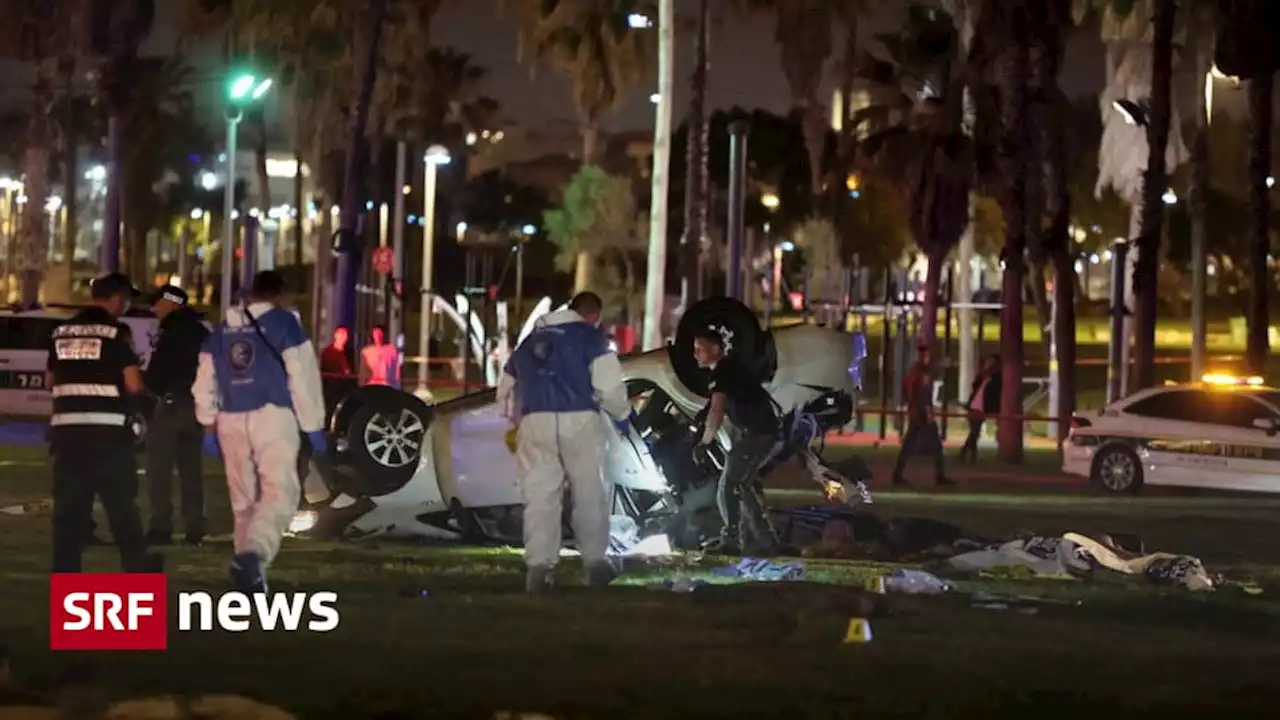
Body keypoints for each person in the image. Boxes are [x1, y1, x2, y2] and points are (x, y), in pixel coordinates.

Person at [192, 270, 326, 593]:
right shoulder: (285, 324)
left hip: (230, 420)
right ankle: (254, 556)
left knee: (243, 502)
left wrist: (207, 423)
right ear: (278, 295)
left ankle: (247, 575)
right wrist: (314, 428)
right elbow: (302, 377)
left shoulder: (223, 330)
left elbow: (204, 381)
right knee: (280, 492)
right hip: (273, 415)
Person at [496, 291, 631, 594]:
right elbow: (609, 386)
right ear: (592, 315)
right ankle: (595, 564)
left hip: (535, 421)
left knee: (540, 496)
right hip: (579, 419)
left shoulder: (530, 341)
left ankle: (539, 570)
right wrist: (622, 415)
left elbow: (505, 386)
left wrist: (514, 420)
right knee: (589, 492)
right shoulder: (591, 339)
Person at [46, 272, 163, 574]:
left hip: (67, 436)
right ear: (117, 298)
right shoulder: (114, 333)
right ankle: (138, 566)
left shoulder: (62, 332)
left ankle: (65, 570)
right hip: (108, 436)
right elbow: (134, 384)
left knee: (69, 511)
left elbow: (50, 381)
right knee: (122, 506)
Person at [691, 327, 782, 556]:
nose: (695, 355)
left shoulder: (723, 372)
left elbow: (717, 410)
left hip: (758, 433)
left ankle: (734, 540)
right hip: (761, 432)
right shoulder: (728, 370)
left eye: (699, 349)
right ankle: (763, 541)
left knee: (729, 486)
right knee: (742, 485)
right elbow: (715, 406)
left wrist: (704, 443)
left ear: (714, 349)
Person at [143, 285, 210, 547]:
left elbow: (157, 373)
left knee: (159, 469)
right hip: (197, 407)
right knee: (191, 470)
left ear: (171, 303)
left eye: (158, 304)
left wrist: (152, 388)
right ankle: (195, 526)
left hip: (171, 404)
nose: (155, 309)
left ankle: (161, 526)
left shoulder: (170, 332)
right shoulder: (202, 332)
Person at [890, 345, 954, 487]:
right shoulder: (922, 372)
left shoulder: (913, 372)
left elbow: (909, 390)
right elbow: (922, 393)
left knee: (910, 444)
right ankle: (939, 476)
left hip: (916, 412)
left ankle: (898, 474)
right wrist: (927, 411)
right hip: (922, 413)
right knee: (934, 445)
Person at [958, 354, 1002, 464]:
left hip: (982, 406)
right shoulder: (982, 375)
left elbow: (995, 393)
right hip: (974, 405)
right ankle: (970, 454)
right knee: (974, 431)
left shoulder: (997, 377)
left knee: (974, 431)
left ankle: (966, 452)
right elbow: (975, 386)